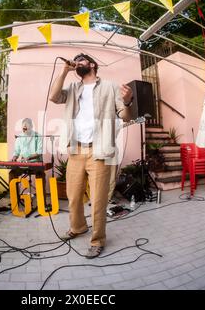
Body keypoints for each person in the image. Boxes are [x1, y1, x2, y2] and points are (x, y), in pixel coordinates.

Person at [49, 53, 133, 258]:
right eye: (75, 60)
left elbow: (124, 116)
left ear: (92, 64)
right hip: (76, 149)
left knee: (97, 199)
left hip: (99, 149)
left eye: (81, 60)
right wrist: (64, 71)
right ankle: (78, 227)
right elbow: (53, 97)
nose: (77, 62)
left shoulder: (110, 86)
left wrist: (128, 101)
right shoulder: (72, 88)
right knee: (74, 195)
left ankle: (97, 240)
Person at [9, 118, 46, 194]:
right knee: (12, 174)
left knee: (40, 175)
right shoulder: (19, 137)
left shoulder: (37, 136)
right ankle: (15, 199)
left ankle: (42, 202)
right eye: (23, 127)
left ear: (31, 126)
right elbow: (17, 151)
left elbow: (39, 152)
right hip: (23, 164)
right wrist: (14, 157)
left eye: (26, 126)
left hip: (35, 163)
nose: (24, 128)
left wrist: (28, 157)